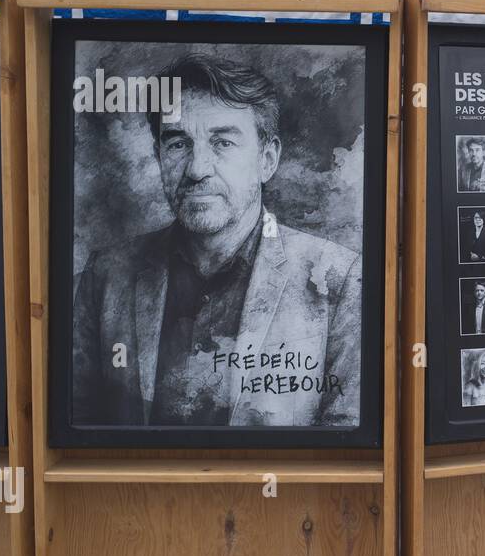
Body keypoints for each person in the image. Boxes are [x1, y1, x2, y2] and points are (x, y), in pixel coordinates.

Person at [71, 53, 361, 427]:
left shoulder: (339, 280)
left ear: (267, 160)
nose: (196, 169)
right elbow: (77, 425)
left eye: (222, 142)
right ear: (159, 155)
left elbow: (346, 445)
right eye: (177, 143)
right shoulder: (106, 275)